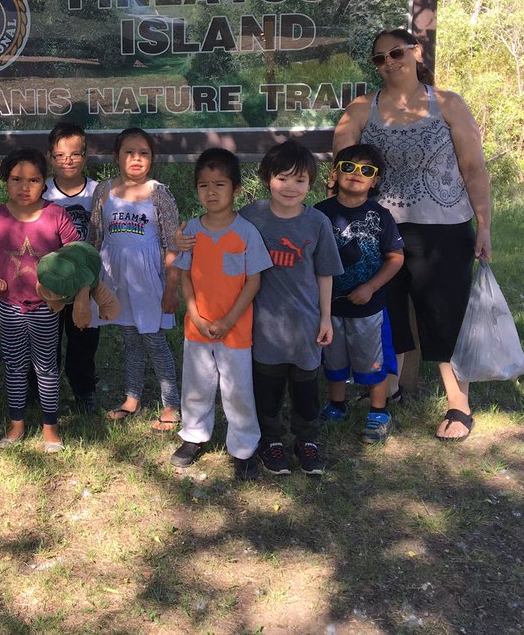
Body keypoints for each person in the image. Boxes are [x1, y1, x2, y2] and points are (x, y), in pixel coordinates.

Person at [333, 28, 492, 442]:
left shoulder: (450, 104)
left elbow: (473, 168)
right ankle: (391, 390)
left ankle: (458, 403)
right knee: (387, 314)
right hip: (379, 230)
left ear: (416, 53)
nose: (388, 63)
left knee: (443, 315)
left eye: (396, 53)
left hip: (444, 229)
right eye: (379, 58)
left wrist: (484, 224)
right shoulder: (361, 109)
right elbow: (342, 166)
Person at [240, 140, 343, 475]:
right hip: (263, 326)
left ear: (310, 184)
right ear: (268, 177)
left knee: (305, 388)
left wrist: (326, 318)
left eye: (300, 180)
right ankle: (271, 441)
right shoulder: (251, 217)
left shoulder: (316, 223)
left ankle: (306, 440)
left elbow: (325, 273)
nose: (290, 187)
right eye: (282, 178)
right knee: (267, 387)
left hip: (306, 325)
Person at [170, 149, 272, 480]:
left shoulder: (246, 233)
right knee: (196, 386)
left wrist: (228, 320)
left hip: (236, 330)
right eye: (204, 185)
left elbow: (253, 281)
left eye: (220, 184)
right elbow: (185, 276)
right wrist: (195, 314)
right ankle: (194, 436)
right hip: (197, 328)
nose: (211, 193)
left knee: (238, 390)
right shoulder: (191, 234)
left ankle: (243, 448)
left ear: (237, 190)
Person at [0, 147, 79, 451]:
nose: (24, 186)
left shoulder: (56, 214)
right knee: (15, 367)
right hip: (10, 307)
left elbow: (78, 253)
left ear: (44, 182)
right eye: (16, 179)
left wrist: (67, 286)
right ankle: (16, 423)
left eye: (33, 180)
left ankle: (51, 427)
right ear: (6, 180)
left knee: (46, 367)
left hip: (47, 308)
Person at [90, 127, 182, 433]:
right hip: (117, 282)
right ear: (116, 156)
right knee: (130, 340)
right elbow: (95, 239)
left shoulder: (159, 193)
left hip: (149, 283)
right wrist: (90, 284)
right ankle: (132, 399)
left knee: (155, 341)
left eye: (143, 153)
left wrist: (171, 288)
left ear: (152, 158)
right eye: (129, 152)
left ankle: (171, 405)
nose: (136, 159)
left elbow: (172, 245)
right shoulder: (104, 191)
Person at [314, 144, 405, 445]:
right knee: (334, 359)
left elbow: (395, 258)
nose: (357, 174)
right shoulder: (319, 213)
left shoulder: (380, 216)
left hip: (369, 309)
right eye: (349, 167)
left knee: (371, 363)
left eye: (366, 170)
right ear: (335, 173)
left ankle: (379, 412)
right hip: (329, 307)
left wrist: (370, 287)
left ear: (375, 181)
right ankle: (336, 405)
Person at [42, 121, 102, 412]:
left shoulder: (99, 193)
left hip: (85, 283)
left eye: (75, 154)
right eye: (60, 155)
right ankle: (40, 388)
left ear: (85, 156)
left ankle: (84, 389)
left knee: (84, 338)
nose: (68, 160)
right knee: (46, 338)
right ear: (50, 158)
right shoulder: (41, 192)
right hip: (51, 281)